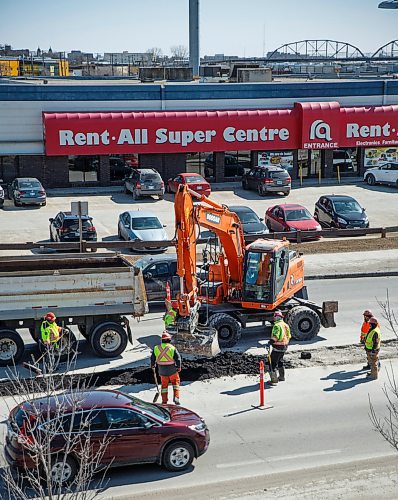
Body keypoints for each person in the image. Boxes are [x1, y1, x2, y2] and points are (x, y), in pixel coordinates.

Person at [151, 331, 182, 405]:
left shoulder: (156, 348)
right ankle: (176, 398)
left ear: (162, 340)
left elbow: (152, 358)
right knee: (175, 383)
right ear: (169, 340)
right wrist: (178, 367)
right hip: (172, 370)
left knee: (164, 386)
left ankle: (164, 401)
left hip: (162, 370)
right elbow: (178, 358)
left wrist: (153, 365)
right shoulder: (172, 348)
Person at [267, 310, 291, 385]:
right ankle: (282, 377)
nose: (274, 319)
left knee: (272, 364)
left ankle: (274, 380)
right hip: (284, 347)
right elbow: (289, 336)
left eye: (274, 317)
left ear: (276, 317)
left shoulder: (277, 325)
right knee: (280, 361)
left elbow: (275, 337)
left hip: (277, 347)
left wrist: (269, 343)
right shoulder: (285, 325)